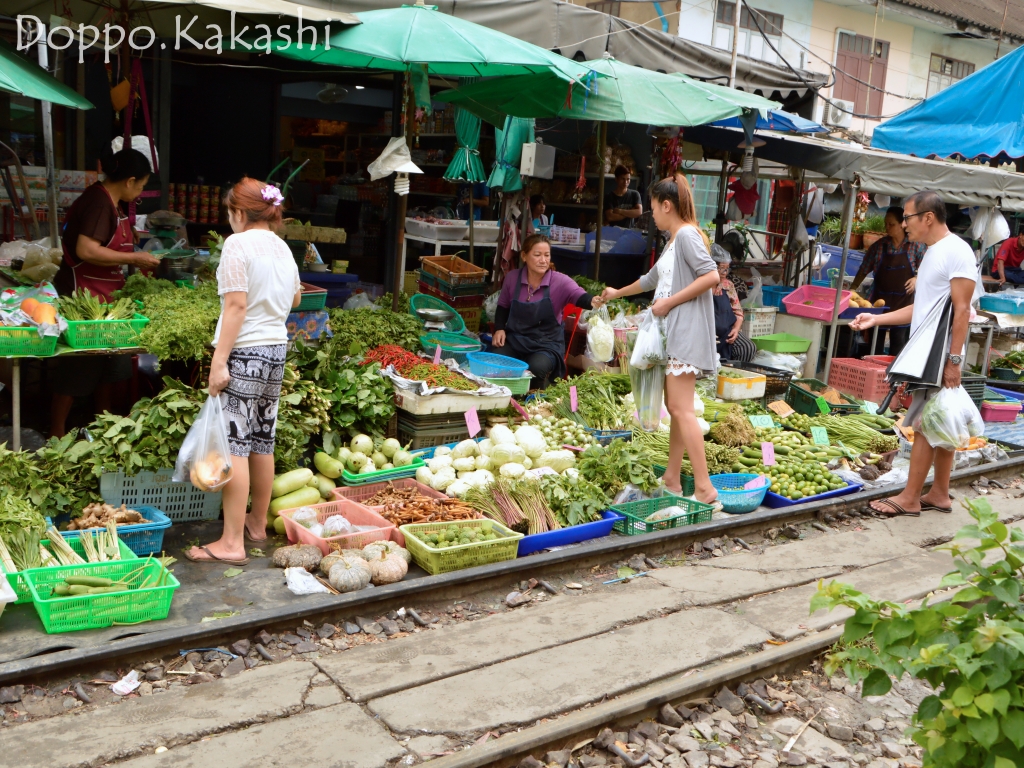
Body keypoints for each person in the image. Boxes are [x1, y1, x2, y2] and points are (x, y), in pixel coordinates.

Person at [185, 178, 302, 566]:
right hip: (275, 350)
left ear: (238, 212)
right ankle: (256, 524)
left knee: (235, 444)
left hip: (246, 352)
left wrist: (219, 362)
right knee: (262, 440)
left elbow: (236, 306)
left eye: (229, 212)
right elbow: (296, 296)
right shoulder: (282, 247)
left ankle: (232, 543)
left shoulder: (237, 244)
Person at [850, 190, 979, 518]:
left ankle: (910, 497)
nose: (904, 224)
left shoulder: (957, 251)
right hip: (929, 353)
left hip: (939, 356)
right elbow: (920, 309)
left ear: (928, 217)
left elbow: (963, 310)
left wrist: (953, 361)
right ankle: (939, 493)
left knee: (924, 424)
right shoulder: (933, 253)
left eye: (907, 217)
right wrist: (876, 319)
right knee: (940, 419)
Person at [601, 173, 721, 507]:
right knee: (677, 408)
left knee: (681, 409)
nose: (651, 215)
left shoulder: (687, 236)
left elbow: (711, 275)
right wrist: (616, 293)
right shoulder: (673, 240)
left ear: (667, 206)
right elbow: (650, 280)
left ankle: (705, 488)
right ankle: (672, 478)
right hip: (674, 334)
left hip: (685, 332)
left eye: (653, 208)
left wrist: (668, 303)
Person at [50, 147, 161, 437]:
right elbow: (86, 249)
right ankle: (56, 432)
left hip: (105, 294)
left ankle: (103, 422)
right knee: (80, 366)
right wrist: (134, 257)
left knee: (106, 364)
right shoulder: (99, 202)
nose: (140, 193)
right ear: (129, 181)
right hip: (85, 295)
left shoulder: (112, 202)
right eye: (141, 186)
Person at [493, 234, 604, 389]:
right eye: (537, 255)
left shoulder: (560, 281)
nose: (543, 260)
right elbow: (503, 306)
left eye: (547, 255)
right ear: (524, 256)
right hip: (516, 340)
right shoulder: (512, 278)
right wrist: (499, 328)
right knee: (496, 360)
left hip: (546, 345)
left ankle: (535, 398)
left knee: (536, 368)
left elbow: (578, 295)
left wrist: (593, 300)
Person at [849, 205, 926, 357]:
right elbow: (863, 270)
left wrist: (917, 278)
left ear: (902, 225)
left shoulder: (915, 246)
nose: (887, 227)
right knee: (874, 347)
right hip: (879, 302)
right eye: (886, 224)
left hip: (904, 303)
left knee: (899, 347)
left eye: (891, 224)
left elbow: (927, 269)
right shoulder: (879, 247)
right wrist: (852, 289)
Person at [710, 245, 757, 363]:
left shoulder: (728, 285)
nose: (725, 273)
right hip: (706, 333)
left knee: (747, 348)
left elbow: (738, 312)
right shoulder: (702, 285)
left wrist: (736, 329)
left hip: (727, 332)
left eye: (727, 269)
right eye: (721, 268)